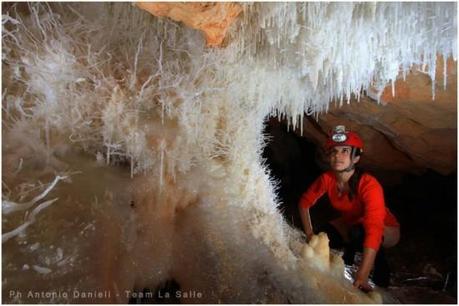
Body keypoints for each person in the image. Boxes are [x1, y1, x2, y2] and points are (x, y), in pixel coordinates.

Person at [298, 125, 400, 292]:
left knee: (360, 233)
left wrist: (362, 275)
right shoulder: (327, 179)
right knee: (320, 237)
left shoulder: (369, 184)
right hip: (351, 223)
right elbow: (304, 203)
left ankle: (380, 276)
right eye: (334, 151)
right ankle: (348, 258)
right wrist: (309, 234)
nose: (338, 156)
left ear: (356, 158)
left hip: (386, 228)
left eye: (345, 151)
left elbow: (373, 228)